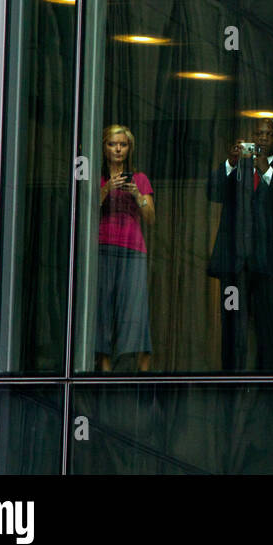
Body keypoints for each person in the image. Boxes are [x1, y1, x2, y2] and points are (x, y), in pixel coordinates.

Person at [207, 118, 273, 371]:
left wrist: (265, 171)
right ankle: (230, 384)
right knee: (232, 328)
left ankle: (268, 389)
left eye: (268, 135)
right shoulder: (239, 168)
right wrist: (231, 162)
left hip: (269, 268)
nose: (262, 139)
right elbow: (213, 192)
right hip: (235, 266)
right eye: (258, 134)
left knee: (269, 330)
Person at [97, 124, 155, 372]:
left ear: (130, 148)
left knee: (134, 306)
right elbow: (85, 211)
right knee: (103, 306)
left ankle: (138, 365)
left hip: (133, 248)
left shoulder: (139, 178)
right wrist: (108, 188)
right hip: (102, 247)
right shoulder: (98, 178)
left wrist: (136, 194)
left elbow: (151, 217)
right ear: (104, 147)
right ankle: (104, 365)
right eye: (112, 144)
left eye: (123, 144)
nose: (118, 149)